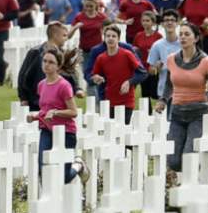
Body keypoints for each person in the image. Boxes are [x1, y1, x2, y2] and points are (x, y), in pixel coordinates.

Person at [155, 22, 208, 173]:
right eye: (181, 35)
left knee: (189, 157)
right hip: (177, 114)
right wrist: (163, 100)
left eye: (187, 34)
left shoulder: (206, 62)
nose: (183, 37)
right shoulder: (171, 59)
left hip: (198, 114)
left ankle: (195, 182)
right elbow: (168, 85)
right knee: (173, 161)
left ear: (196, 38)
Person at [26, 48, 88, 184]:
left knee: (64, 177)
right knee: (43, 167)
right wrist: (34, 116)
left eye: (51, 62)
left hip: (66, 133)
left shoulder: (64, 86)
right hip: (47, 131)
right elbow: (45, 110)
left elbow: (73, 112)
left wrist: (56, 112)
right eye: (44, 61)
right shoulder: (41, 85)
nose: (46, 65)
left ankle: (78, 165)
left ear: (58, 66)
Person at [18, 21, 83, 111]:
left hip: (57, 101)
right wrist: (23, 98)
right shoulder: (36, 52)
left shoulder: (62, 54)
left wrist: (77, 89)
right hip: (36, 101)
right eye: (64, 35)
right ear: (55, 35)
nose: (66, 38)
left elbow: (69, 73)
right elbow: (23, 76)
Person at [90, 24, 147, 123]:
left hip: (126, 101)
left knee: (123, 132)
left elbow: (143, 73)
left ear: (118, 39)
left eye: (113, 36)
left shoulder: (127, 54)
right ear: (104, 38)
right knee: (110, 134)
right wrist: (96, 78)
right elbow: (94, 75)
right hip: (108, 101)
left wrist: (130, 82)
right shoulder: (101, 58)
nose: (110, 39)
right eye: (108, 36)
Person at [70, 0, 108, 92]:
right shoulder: (79, 17)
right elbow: (68, 35)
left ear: (96, 5)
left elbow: (110, 29)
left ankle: (100, 101)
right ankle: (94, 104)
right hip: (85, 51)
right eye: (86, 6)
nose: (89, 8)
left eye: (91, 6)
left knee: (99, 75)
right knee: (88, 76)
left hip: (99, 51)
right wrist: (75, 27)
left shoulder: (101, 17)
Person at [148, 9, 183, 107]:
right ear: (162, 24)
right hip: (164, 91)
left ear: (177, 23)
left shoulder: (183, 43)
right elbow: (151, 70)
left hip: (183, 90)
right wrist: (156, 68)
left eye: (172, 20)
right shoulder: (157, 45)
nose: (169, 22)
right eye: (167, 20)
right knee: (166, 121)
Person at [133, 11, 163, 101]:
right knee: (145, 95)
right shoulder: (138, 35)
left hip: (154, 68)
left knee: (155, 93)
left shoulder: (158, 36)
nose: (145, 23)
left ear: (153, 22)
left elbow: (162, 53)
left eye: (147, 20)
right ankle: (147, 113)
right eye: (143, 20)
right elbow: (135, 50)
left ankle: (161, 111)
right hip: (142, 68)